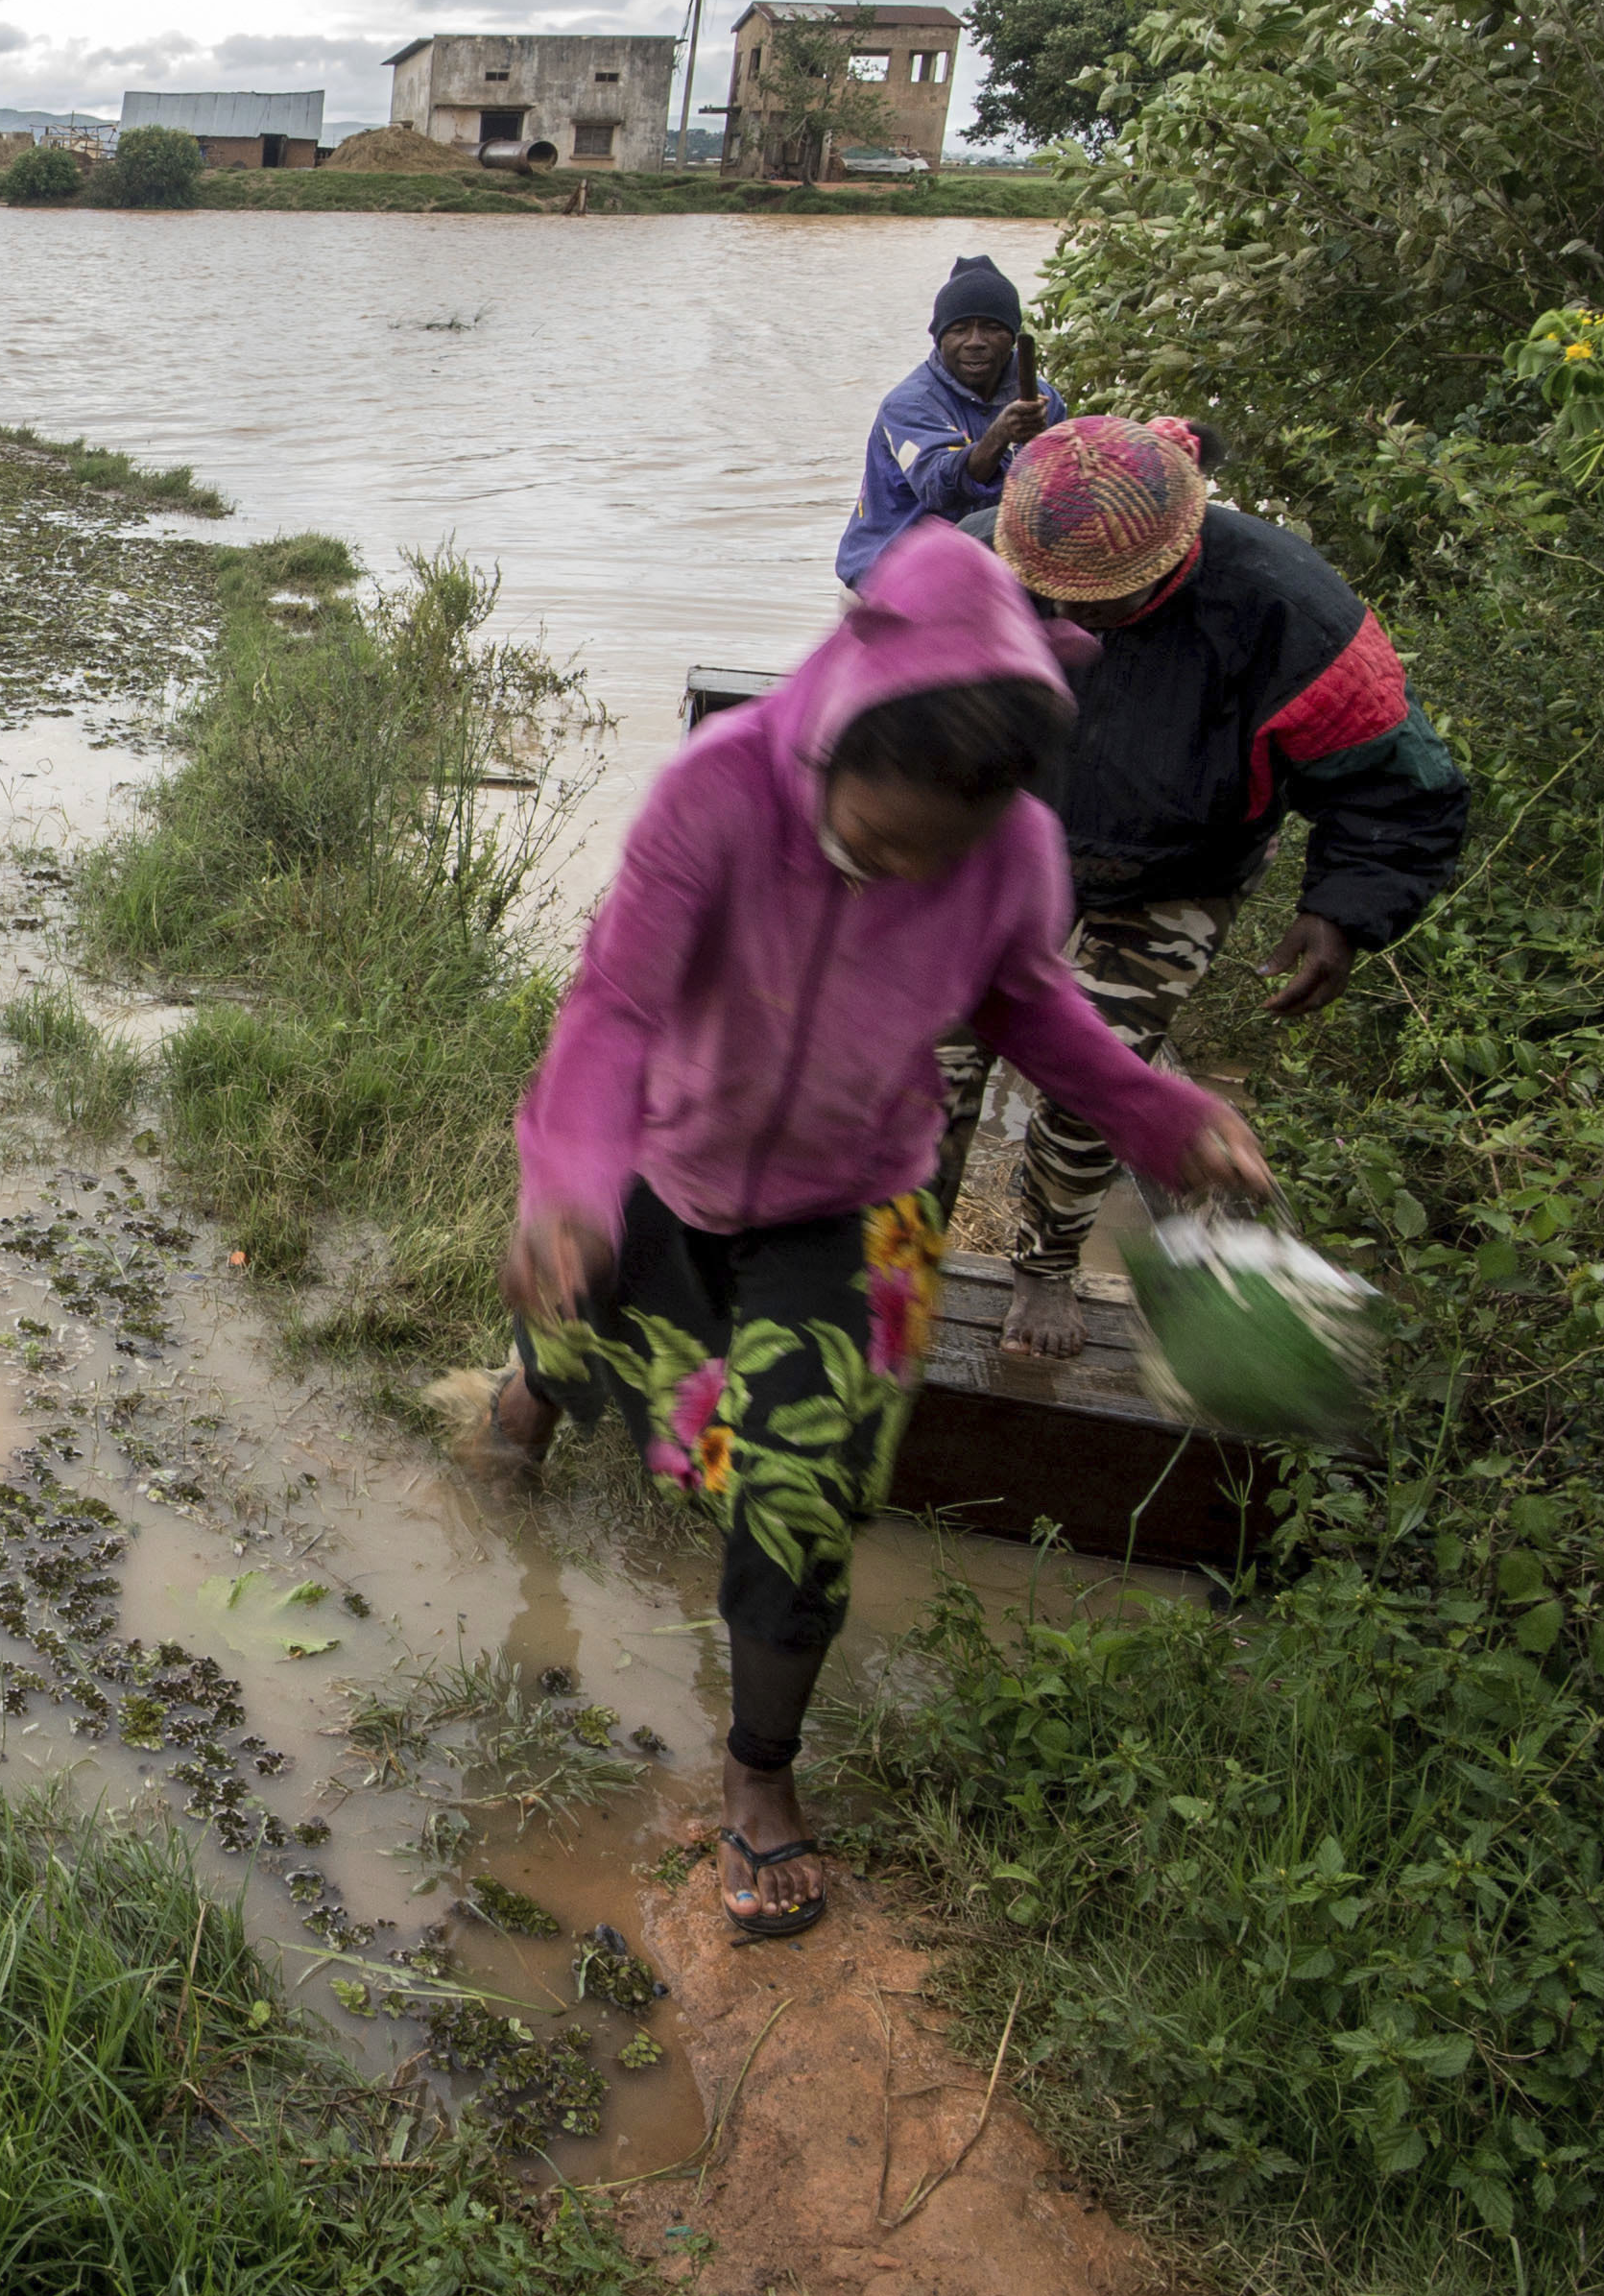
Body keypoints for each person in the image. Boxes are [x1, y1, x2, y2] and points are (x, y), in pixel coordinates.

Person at [497, 523, 1271, 1939]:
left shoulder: (1013, 851)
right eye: (871, 828)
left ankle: (758, 1777)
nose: (888, 863)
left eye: (930, 852)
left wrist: (1164, 1114)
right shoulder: (716, 794)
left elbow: (1031, 1004)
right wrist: (570, 1180)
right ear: (836, 734)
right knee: (573, 1313)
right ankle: (531, 1399)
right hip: (664, 1163)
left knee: (801, 1487)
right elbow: (612, 1009)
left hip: (856, 1201)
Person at [933, 414, 1471, 1356]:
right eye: (1057, 596)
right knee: (923, 1072)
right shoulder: (969, 571)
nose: (1078, 616)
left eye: (1104, 599)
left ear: (1176, 550)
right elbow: (866, 724)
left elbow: (1395, 778)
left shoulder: (1284, 608)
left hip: (1172, 871)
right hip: (988, 853)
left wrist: (1341, 910)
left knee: (1094, 1080)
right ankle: (897, 1255)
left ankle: (1045, 1266)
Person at [832, 251, 1046, 586]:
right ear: (939, 338)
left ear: (1013, 338)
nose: (975, 342)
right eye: (960, 330)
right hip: (892, 578)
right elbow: (940, 487)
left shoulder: (1039, 397)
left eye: (991, 328)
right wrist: (1001, 433)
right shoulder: (910, 404)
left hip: (984, 571)